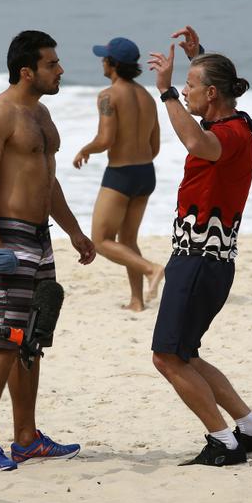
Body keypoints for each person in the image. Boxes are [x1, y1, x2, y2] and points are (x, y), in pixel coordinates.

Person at [146, 26, 252, 466]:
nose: (185, 92)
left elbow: (195, 141)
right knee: (185, 354)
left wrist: (165, 93)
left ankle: (224, 442)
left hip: (200, 259)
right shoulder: (231, 123)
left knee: (167, 357)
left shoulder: (229, 136)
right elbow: (206, 119)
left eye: (190, 87)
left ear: (213, 94)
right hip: (205, 258)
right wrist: (196, 57)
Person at [0, 30, 96, 471]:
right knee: (3, 340)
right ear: (27, 70)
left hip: (41, 237)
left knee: (31, 341)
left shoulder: (41, 114)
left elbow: (47, 179)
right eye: (52, 64)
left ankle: (26, 437)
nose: (60, 70)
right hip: (7, 236)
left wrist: (74, 231)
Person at [73, 37, 164, 311]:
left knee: (101, 241)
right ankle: (137, 301)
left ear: (112, 64)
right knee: (128, 241)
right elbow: (155, 146)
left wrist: (85, 149)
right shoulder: (147, 97)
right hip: (146, 173)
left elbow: (105, 138)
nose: (102, 62)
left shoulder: (108, 96)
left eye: (104, 59)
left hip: (121, 176)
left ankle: (151, 268)